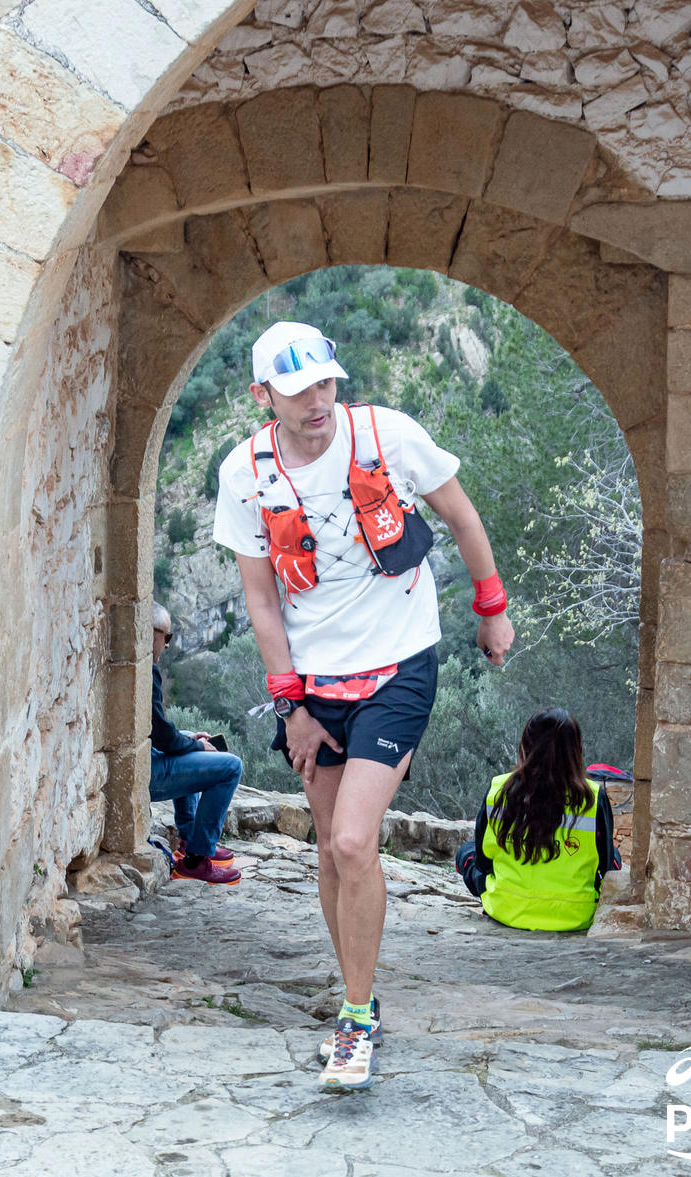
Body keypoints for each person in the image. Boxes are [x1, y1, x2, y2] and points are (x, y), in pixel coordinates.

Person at [211, 320, 515, 1092]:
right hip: (314, 687)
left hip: (397, 667)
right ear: (263, 396)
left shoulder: (388, 436)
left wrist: (491, 608)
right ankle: (360, 994)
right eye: (298, 390)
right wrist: (292, 708)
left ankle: (354, 1019)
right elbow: (262, 601)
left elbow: (462, 516)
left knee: (353, 840)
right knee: (327, 849)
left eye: (326, 382)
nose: (318, 400)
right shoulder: (245, 474)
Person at [454, 707, 617, 931]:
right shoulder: (594, 797)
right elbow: (606, 865)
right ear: (576, 748)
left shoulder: (498, 790)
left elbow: (483, 862)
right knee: (614, 854)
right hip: (575, 914)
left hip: (506, 908)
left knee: (466, 852)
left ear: (526, 744)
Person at [148, 602, 243, 885]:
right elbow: (163, 737)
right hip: (148, 774)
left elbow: (158, 731)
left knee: (188, 735)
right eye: (166, 636)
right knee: (231, 767)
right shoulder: (146, 670)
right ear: (150, 634)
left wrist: (189, 740)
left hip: (142, 761)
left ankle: (190, 839)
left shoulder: (136, 665)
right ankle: (197, 860)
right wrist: (198, 747)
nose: (167, 645)